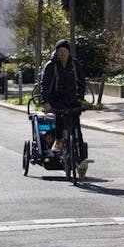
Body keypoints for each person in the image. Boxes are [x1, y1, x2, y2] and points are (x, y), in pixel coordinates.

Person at [40, 39, 88, 176]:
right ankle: (59, 140)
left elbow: (82, 82)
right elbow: (45, 85)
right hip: (57, 99)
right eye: (60, 51)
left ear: (69, 52)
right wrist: (46, 102)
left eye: (65, 51)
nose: (62, 54)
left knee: (76, 126)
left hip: (73, 99)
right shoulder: (51, 66)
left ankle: (82, 159)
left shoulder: (75, 65)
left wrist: (80, 97)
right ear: (56, 52)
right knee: (60, 116)